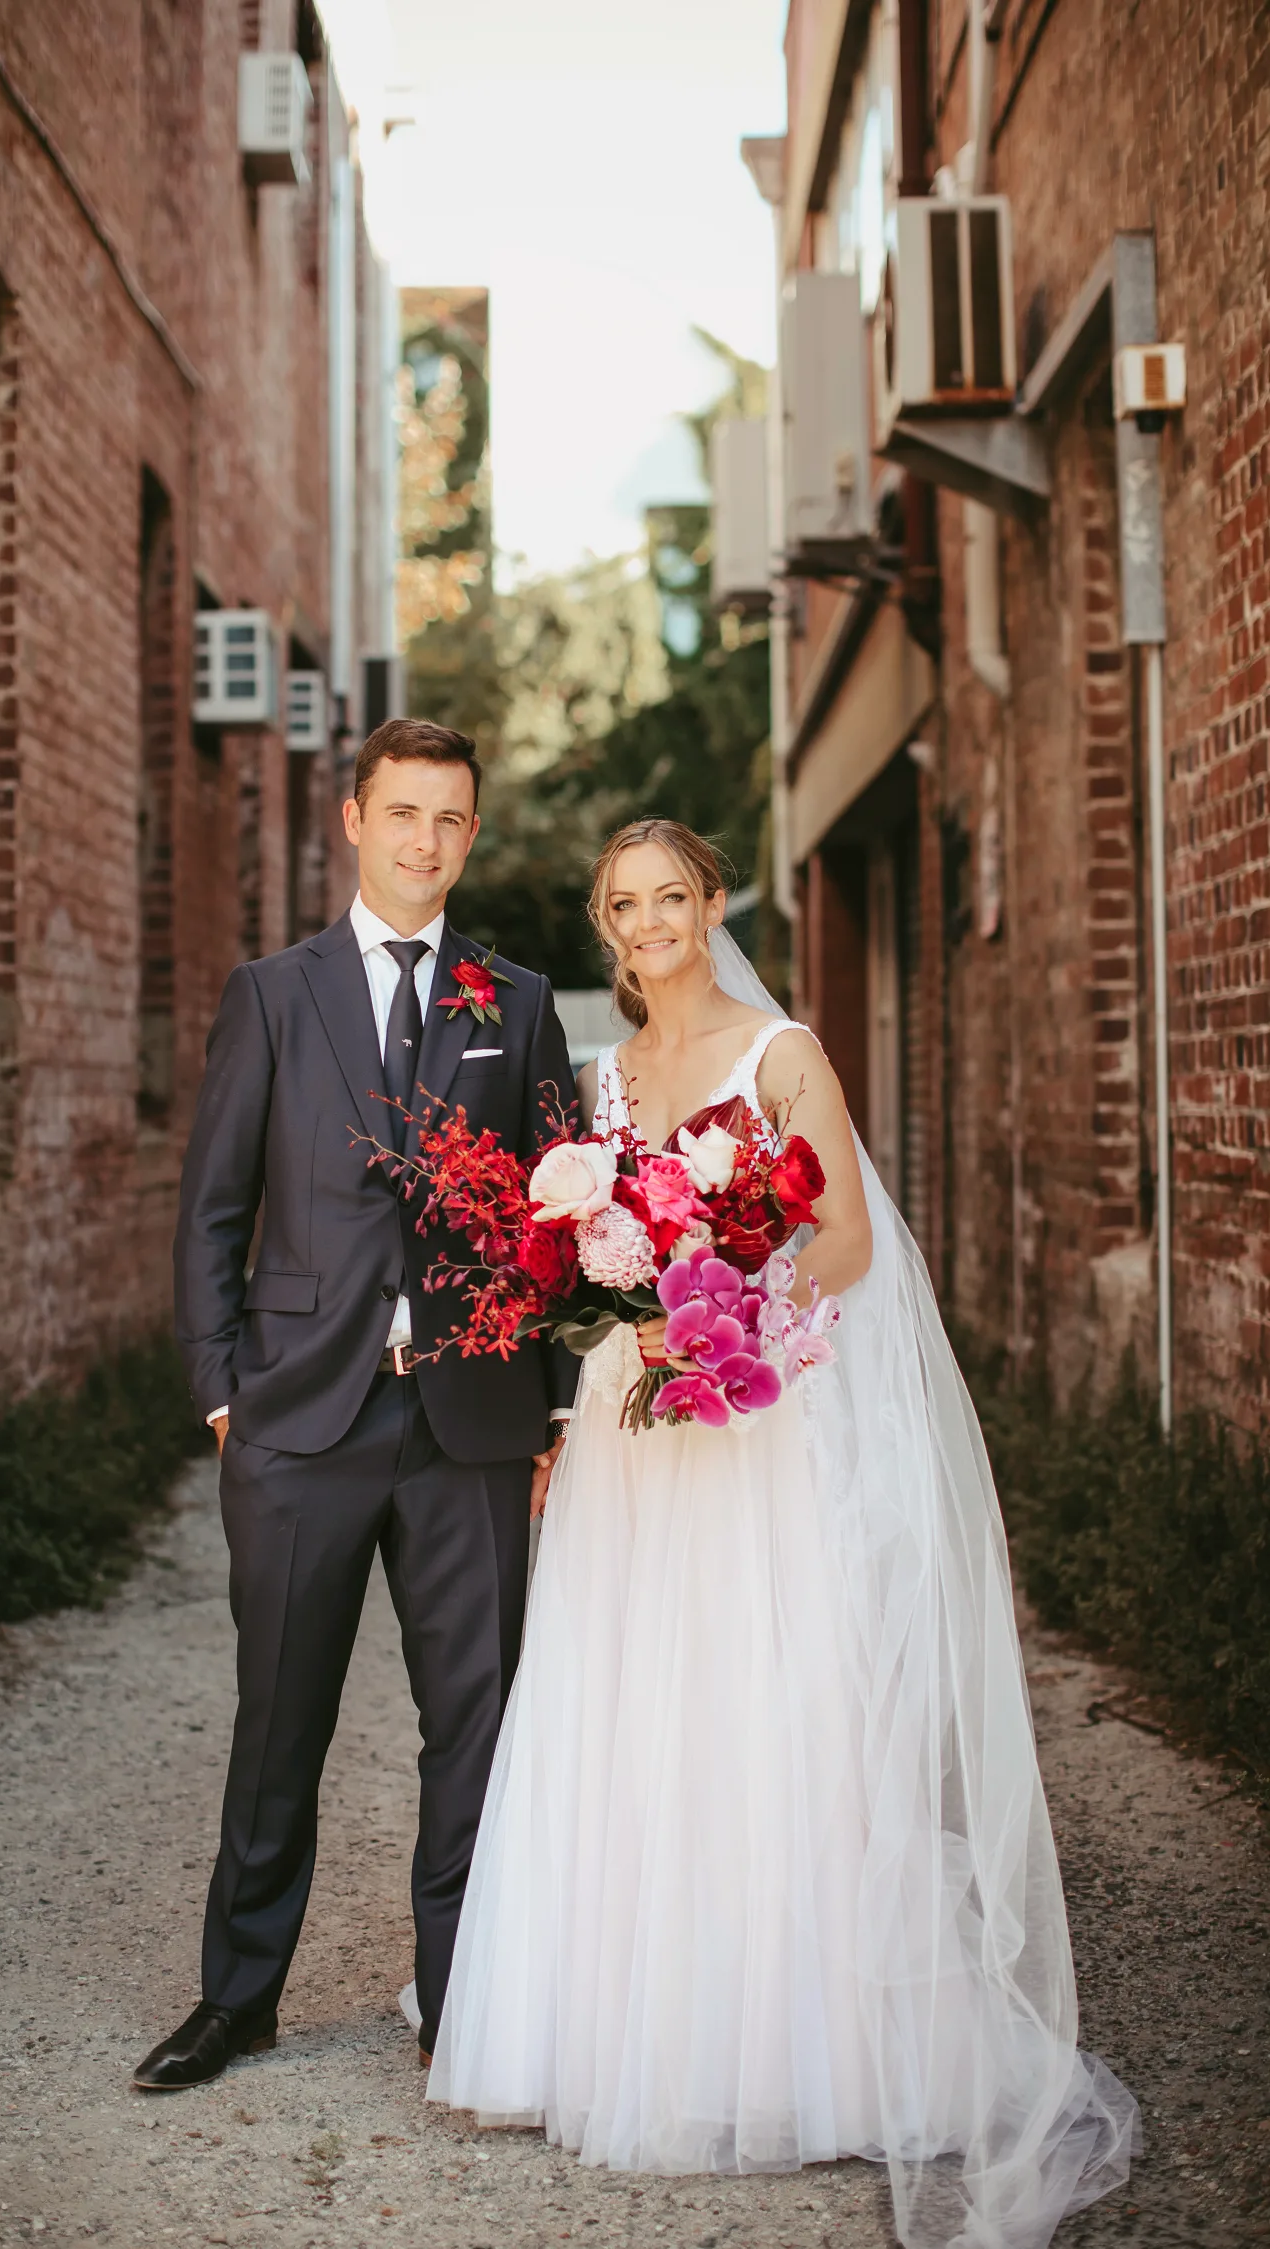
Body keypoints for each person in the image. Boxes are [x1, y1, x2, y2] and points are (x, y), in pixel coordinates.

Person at [428, 818, 1138, 2249]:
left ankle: (801, 2049)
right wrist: (600, 1363)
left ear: (710, 903)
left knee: (770, 1696)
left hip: (748, 1407)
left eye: (670, 897)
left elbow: (852, 1245)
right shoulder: (599, 1079)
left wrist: (718, 1315)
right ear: (607, 927)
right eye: (624, 906)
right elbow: (575, 1250)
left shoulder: (784, 1050)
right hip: (638, 1424)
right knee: (632, 1703)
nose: (649, 923)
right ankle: (624, 2035)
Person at [134, 718, 578, 2092]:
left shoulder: (517, 998)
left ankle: (463, 2003)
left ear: (472, 835)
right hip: (297, 1423)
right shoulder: (274, 993)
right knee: (280, 1722)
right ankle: (238, 1999)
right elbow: (213, 1210)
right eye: (401, 813)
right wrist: (222, 1396)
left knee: (479, 1724)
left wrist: (553, 1411)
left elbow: (561, 1220)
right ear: (352, 818)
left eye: (450, 820)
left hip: (474, 1429)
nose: (424, 842)